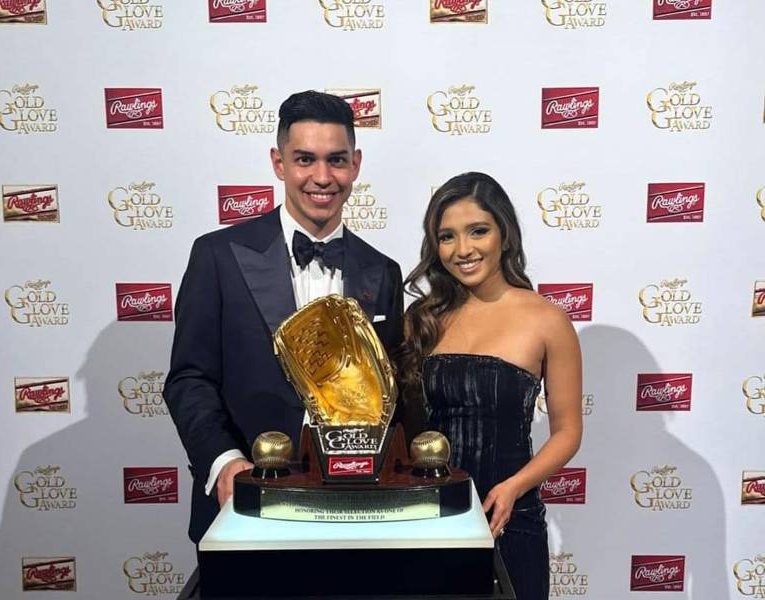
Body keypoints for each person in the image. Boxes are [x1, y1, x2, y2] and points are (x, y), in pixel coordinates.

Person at [164, 91, 404, 543]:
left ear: (355, 164)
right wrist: (224, 461)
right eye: (304, 159)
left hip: (358, 511)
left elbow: (391, 395)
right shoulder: (217, 256)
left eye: (336, 160)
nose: (322, 177)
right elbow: (189, 379)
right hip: (245, 505)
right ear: (279, 163)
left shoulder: (383, 271)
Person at [400, 172, 583, 600]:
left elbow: (568, 432)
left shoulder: (547, 320)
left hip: (511, 519)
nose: (463, 249)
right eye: (447, 236)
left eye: (478, 231)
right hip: (431, 518)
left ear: (505, 234)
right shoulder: (422, 320)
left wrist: (513, 487)